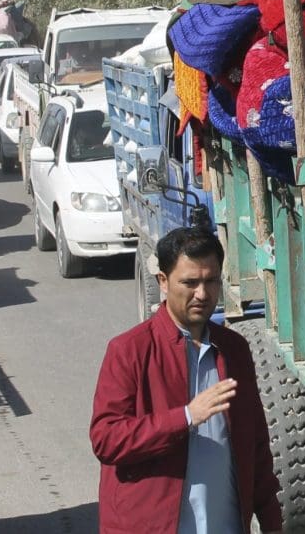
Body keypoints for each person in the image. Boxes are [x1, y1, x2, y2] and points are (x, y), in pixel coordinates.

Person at [90, 228, 281, 534]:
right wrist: (186, 416)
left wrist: (272, 523)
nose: (202, 294)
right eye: (190, 283)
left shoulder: (234, 350)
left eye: (211, 281)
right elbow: (107, 439)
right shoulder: (129, 350)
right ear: (163, 282)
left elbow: (256, 445)